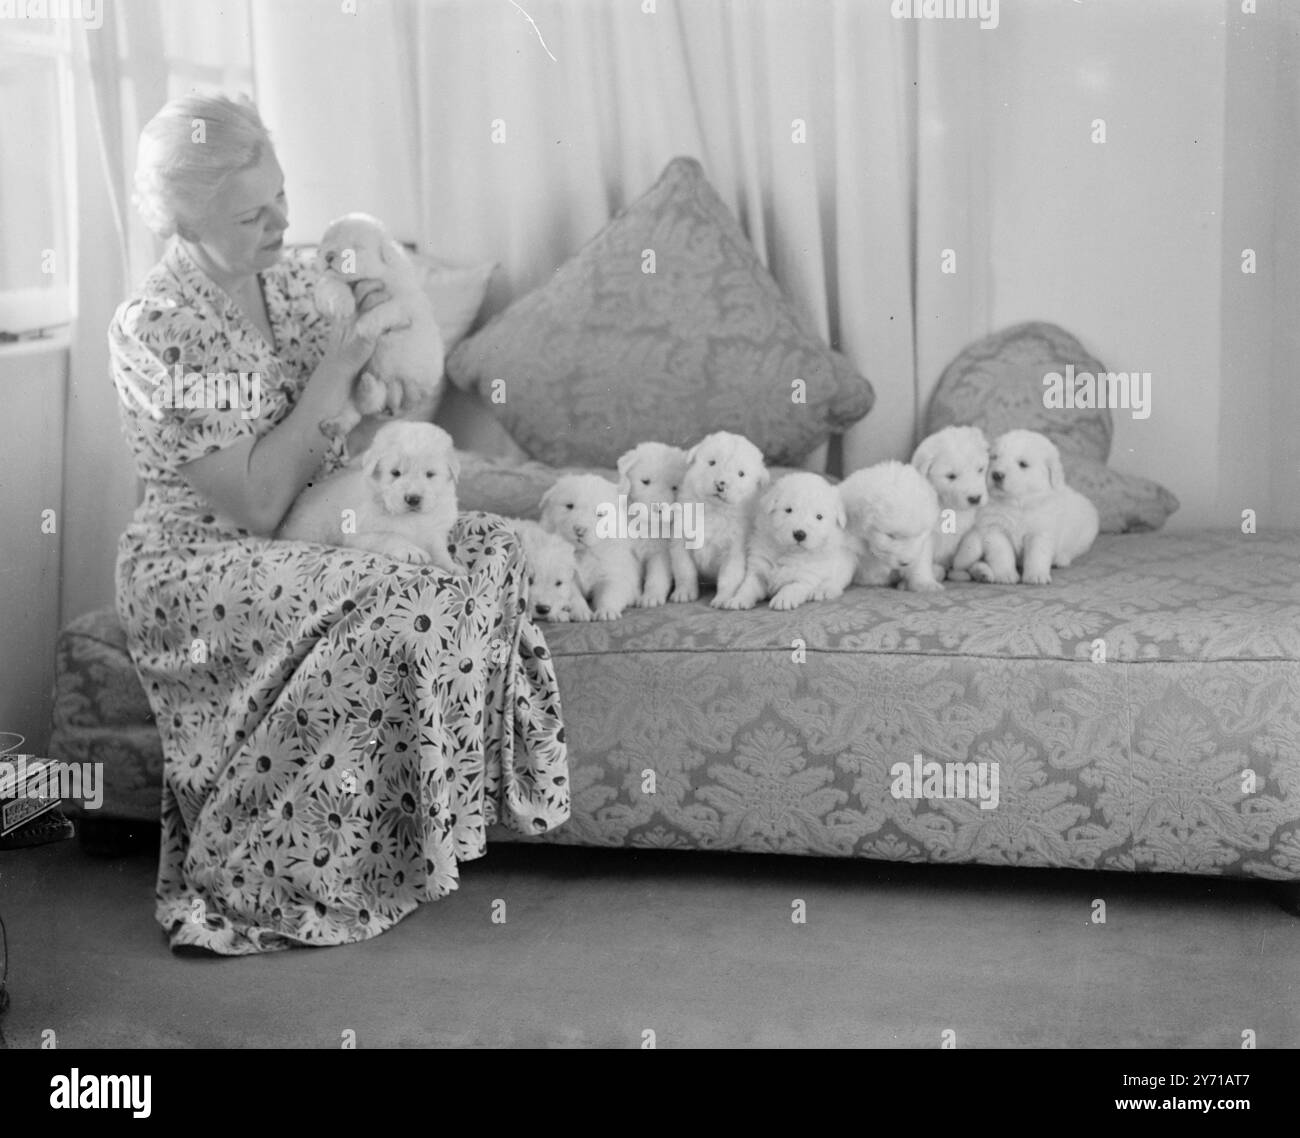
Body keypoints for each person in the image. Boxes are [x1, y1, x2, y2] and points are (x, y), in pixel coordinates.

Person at [110, 93, 569, 955]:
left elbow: (369, 413)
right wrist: (349, 356)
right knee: (408, 593)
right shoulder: (158, 326)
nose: (284, 220)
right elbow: (253, 501)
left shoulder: (289, 279)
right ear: (184, 221)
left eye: (281, 195)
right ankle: (291, 869)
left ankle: (417, 832)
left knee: (490, 548)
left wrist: (382, 376)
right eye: (252, 213)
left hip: (319, 515)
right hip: (209, 557)